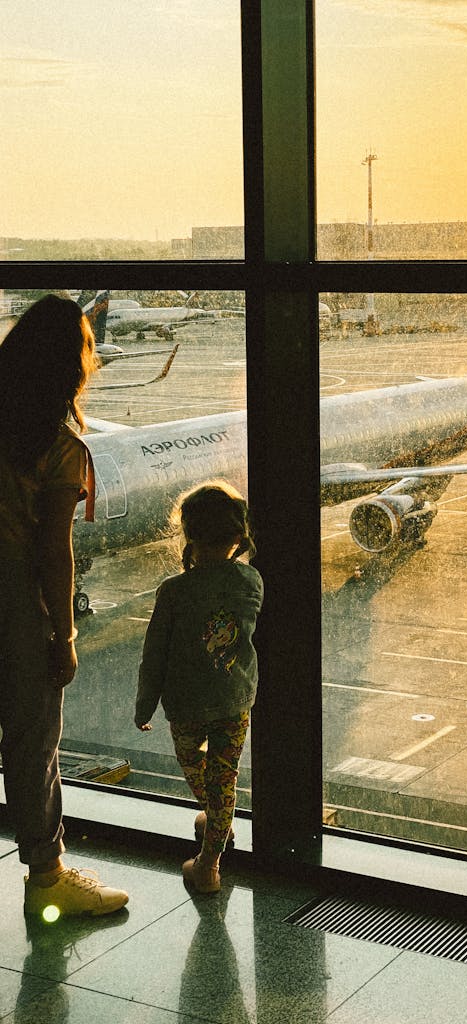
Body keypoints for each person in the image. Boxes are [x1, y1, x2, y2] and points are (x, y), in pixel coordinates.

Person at [0, 294, 129, 916]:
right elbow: (54, 551)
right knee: (31, 739)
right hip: (13, 596)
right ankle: (47, 880)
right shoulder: (57, 446)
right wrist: (66, 635)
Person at [134, 481, 264, 893]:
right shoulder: (250, 582)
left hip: (187, 705)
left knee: (199, 771)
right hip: (234, 698)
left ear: (188, 535)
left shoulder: (173, 592)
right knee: (225, 776)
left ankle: (209, 860)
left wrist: (144, 706)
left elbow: (154, 654)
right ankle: (215, 831)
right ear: (238, 537)